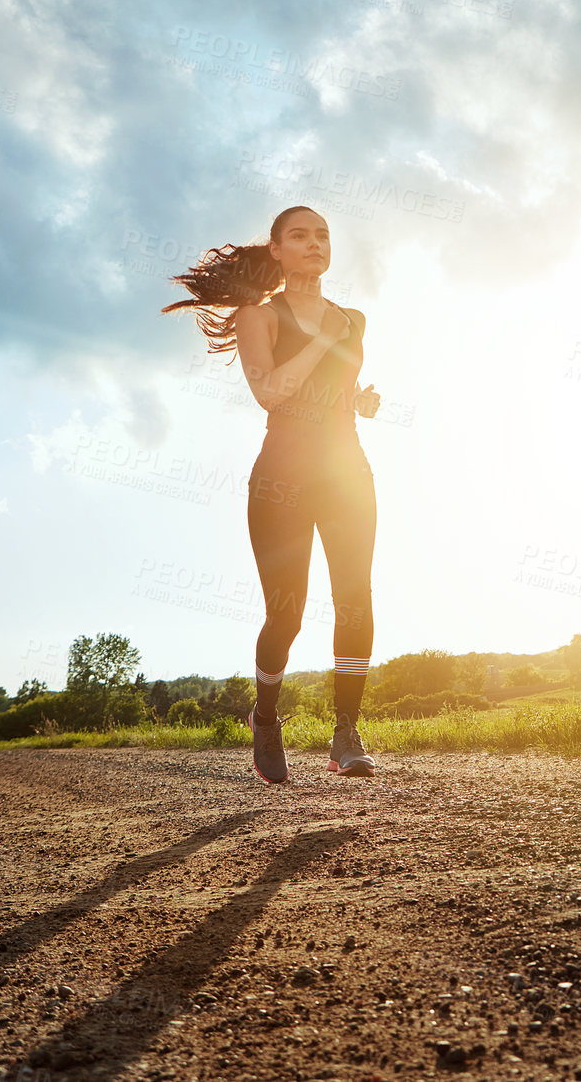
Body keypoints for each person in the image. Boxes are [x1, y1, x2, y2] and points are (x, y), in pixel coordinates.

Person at [163, 204, 381, 782]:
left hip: (346, 472)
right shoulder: (257, 317)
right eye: (300, 235)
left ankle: (345, 733)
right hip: (282, 479)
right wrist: (321, 343)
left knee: (355, 597)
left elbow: (338, 386)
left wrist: (359, 400)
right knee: (286, 614)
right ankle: (265, 716)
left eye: (324, 235)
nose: (315, 244)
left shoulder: (352, 319)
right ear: (278, 249)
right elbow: (272, 395)